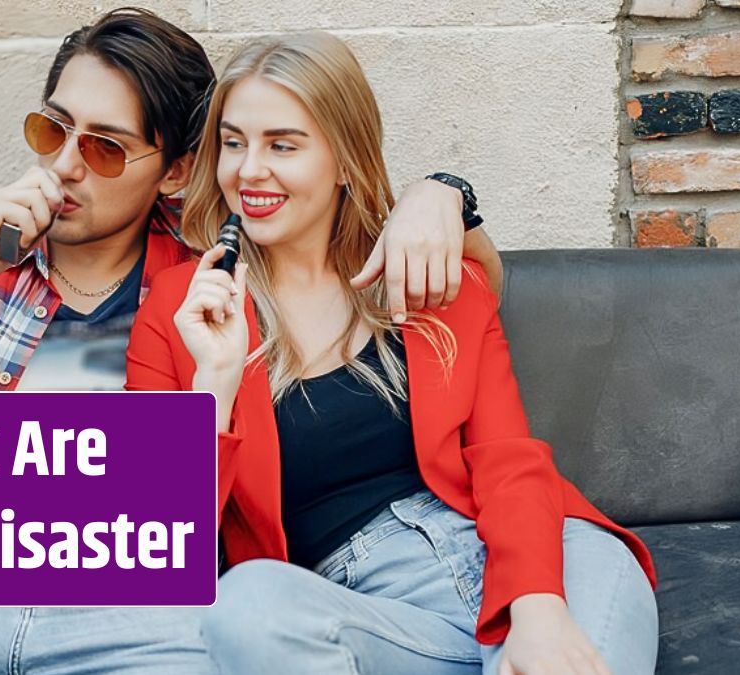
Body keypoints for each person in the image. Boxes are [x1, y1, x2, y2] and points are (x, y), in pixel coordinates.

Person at [0, 8, 505, 674]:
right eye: (53, 128)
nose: (64, 165)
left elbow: (424, 278)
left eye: (104, 148)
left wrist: (443, 198)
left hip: (134, 625)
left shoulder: (216, 278)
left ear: (171, 173)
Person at [125, 32, 659, 675]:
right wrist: (214, 382)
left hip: (548, 561)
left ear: (345, 160)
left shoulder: (427, 276)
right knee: (247, 606)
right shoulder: (180, 309)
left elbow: (508, 461)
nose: (249, 169)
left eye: (283, 145)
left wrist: (539, 608)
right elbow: (153, 542)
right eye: (234, 142)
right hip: (359, 608)